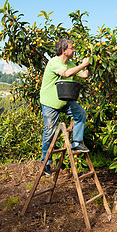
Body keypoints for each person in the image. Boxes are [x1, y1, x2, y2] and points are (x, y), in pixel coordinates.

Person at [40, 38, 91, 176]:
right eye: (72, 48)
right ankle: (46, 162)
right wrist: (83, 64)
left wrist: (90, 65)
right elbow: (67, 73)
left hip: (64, 100)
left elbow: (84, 74)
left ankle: (76, 142)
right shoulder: (54, 62)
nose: (74, 50)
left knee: (81, 114)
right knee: (49, 133)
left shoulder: (70, 63)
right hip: (50, 103)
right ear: (64, 50)